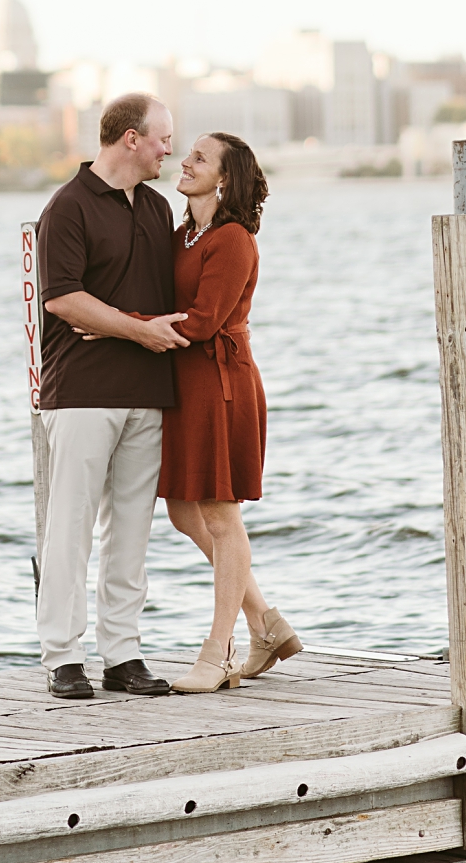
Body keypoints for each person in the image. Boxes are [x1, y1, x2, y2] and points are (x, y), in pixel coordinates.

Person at [35, 92, 189, 699]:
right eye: (162, 137)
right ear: (130, 138)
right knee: (68, 525)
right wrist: (133, 327)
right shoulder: (67, 208)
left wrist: (114, 320)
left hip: (148, 391)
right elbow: (63, 299)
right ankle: (62, 657)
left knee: (131, 531)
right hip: (81, 392)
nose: (169, 149)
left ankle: (122, 655)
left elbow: (153, 294)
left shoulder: (155, 209)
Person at [159, 131, 301, 693]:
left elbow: (201, 322)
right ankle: (265, 622)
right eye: (187, 153)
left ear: (224, 178)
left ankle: (218, 652)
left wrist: (124, 330)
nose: (185, 162)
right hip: (183, 382)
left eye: (199, 157)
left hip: (221, 382)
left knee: (221, 514)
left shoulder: (233, 239)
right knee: (180, 509)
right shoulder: (184, 236)